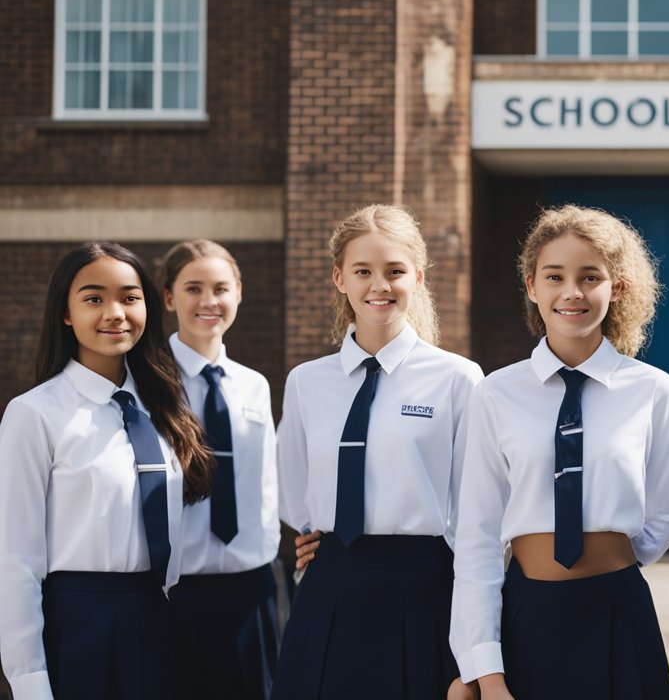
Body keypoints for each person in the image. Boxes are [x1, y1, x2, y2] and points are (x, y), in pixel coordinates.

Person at [450, 205, 669, 700]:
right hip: (527, 613)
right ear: (532, 286)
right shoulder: (496, 394)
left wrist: (610, 561)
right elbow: (476, 538)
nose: (572, 292)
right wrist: (487, 674)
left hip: (618, 613)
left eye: (590, 277)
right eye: (554, 276)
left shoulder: (653, 390)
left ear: (616, 287)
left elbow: (668, 511)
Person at [272, 205, 483, 699]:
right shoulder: (307, 382)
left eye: (395, 271)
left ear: (419, 278)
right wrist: (315, 536)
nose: (379, 285)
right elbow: (293, 486)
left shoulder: (457, 379)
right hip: (330, 585)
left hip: (426, 587)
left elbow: (477, 506)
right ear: (339, 278)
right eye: (363, 271)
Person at [0, 242, 215, 700]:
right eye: (94, 298)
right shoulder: (34, 414)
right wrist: (28, 678)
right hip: (76, 624)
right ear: (65, 312)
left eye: (130, 297)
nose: (115, 312)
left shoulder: (164, 409)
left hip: (157, 619)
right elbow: (15, 558)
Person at [161, 240, 280, 699]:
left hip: (250, 589)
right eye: (194, 288)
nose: (209, 301)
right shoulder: (147, 382)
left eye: (220, 288)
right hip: (175, 592)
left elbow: (267, 477)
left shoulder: (254, 385)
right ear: (170, 298)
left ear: (239, 294)